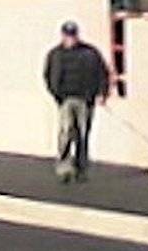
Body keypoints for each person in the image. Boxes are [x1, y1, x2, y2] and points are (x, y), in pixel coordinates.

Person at [41, 19, 111, 183]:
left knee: (82, 134)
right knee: (66, 132)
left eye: (73, 35)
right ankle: (64, 166)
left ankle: (81, 167)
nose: (70, 39)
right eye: (67, 35)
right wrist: (56, 94)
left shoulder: (90, 53)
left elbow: (103, 74)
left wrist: (102, 93)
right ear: (62, 36)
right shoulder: (55, 54)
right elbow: (48, 75)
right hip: (65, 99)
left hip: (85, 100)